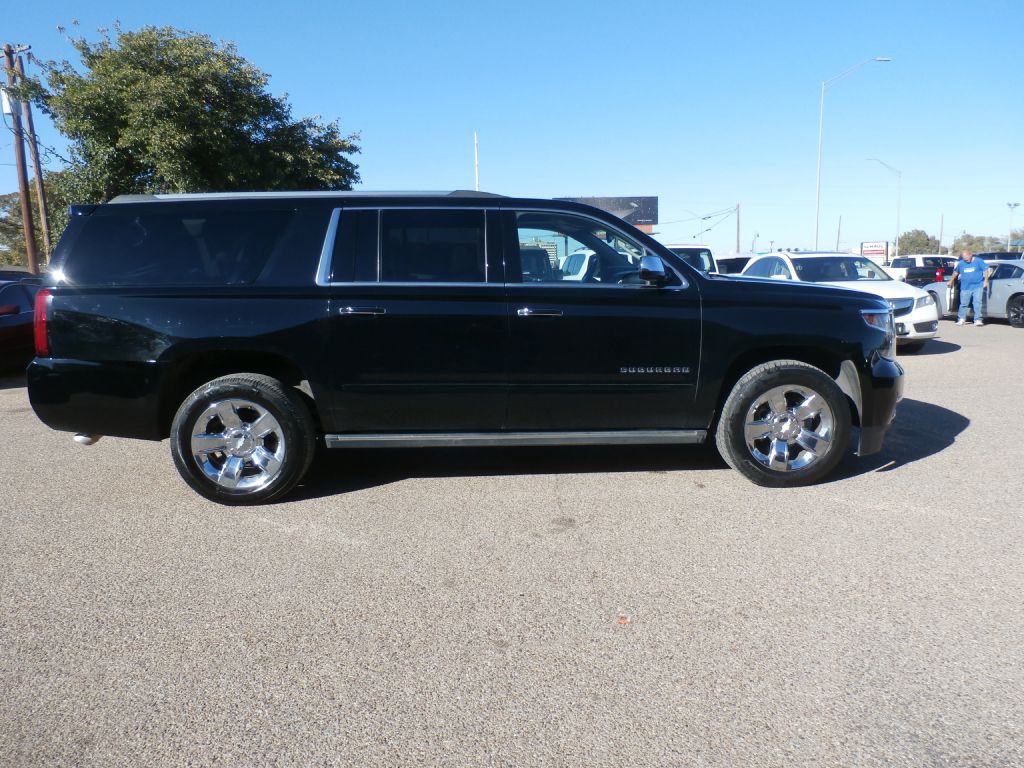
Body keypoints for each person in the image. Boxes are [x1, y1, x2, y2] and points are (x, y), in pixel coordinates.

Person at [948, 250, 990, 326]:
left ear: (970, 255)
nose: (965, 259)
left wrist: (986, 281)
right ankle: (961, 319)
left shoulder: (978, 261)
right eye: (964, 258)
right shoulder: (961, 263)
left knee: (977, 303)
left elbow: (986, 270)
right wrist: (951, 281)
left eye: (966, 257)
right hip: (965, 287)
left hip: (977, 286)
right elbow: (956, 272)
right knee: (963, 303)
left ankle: (978, 319)